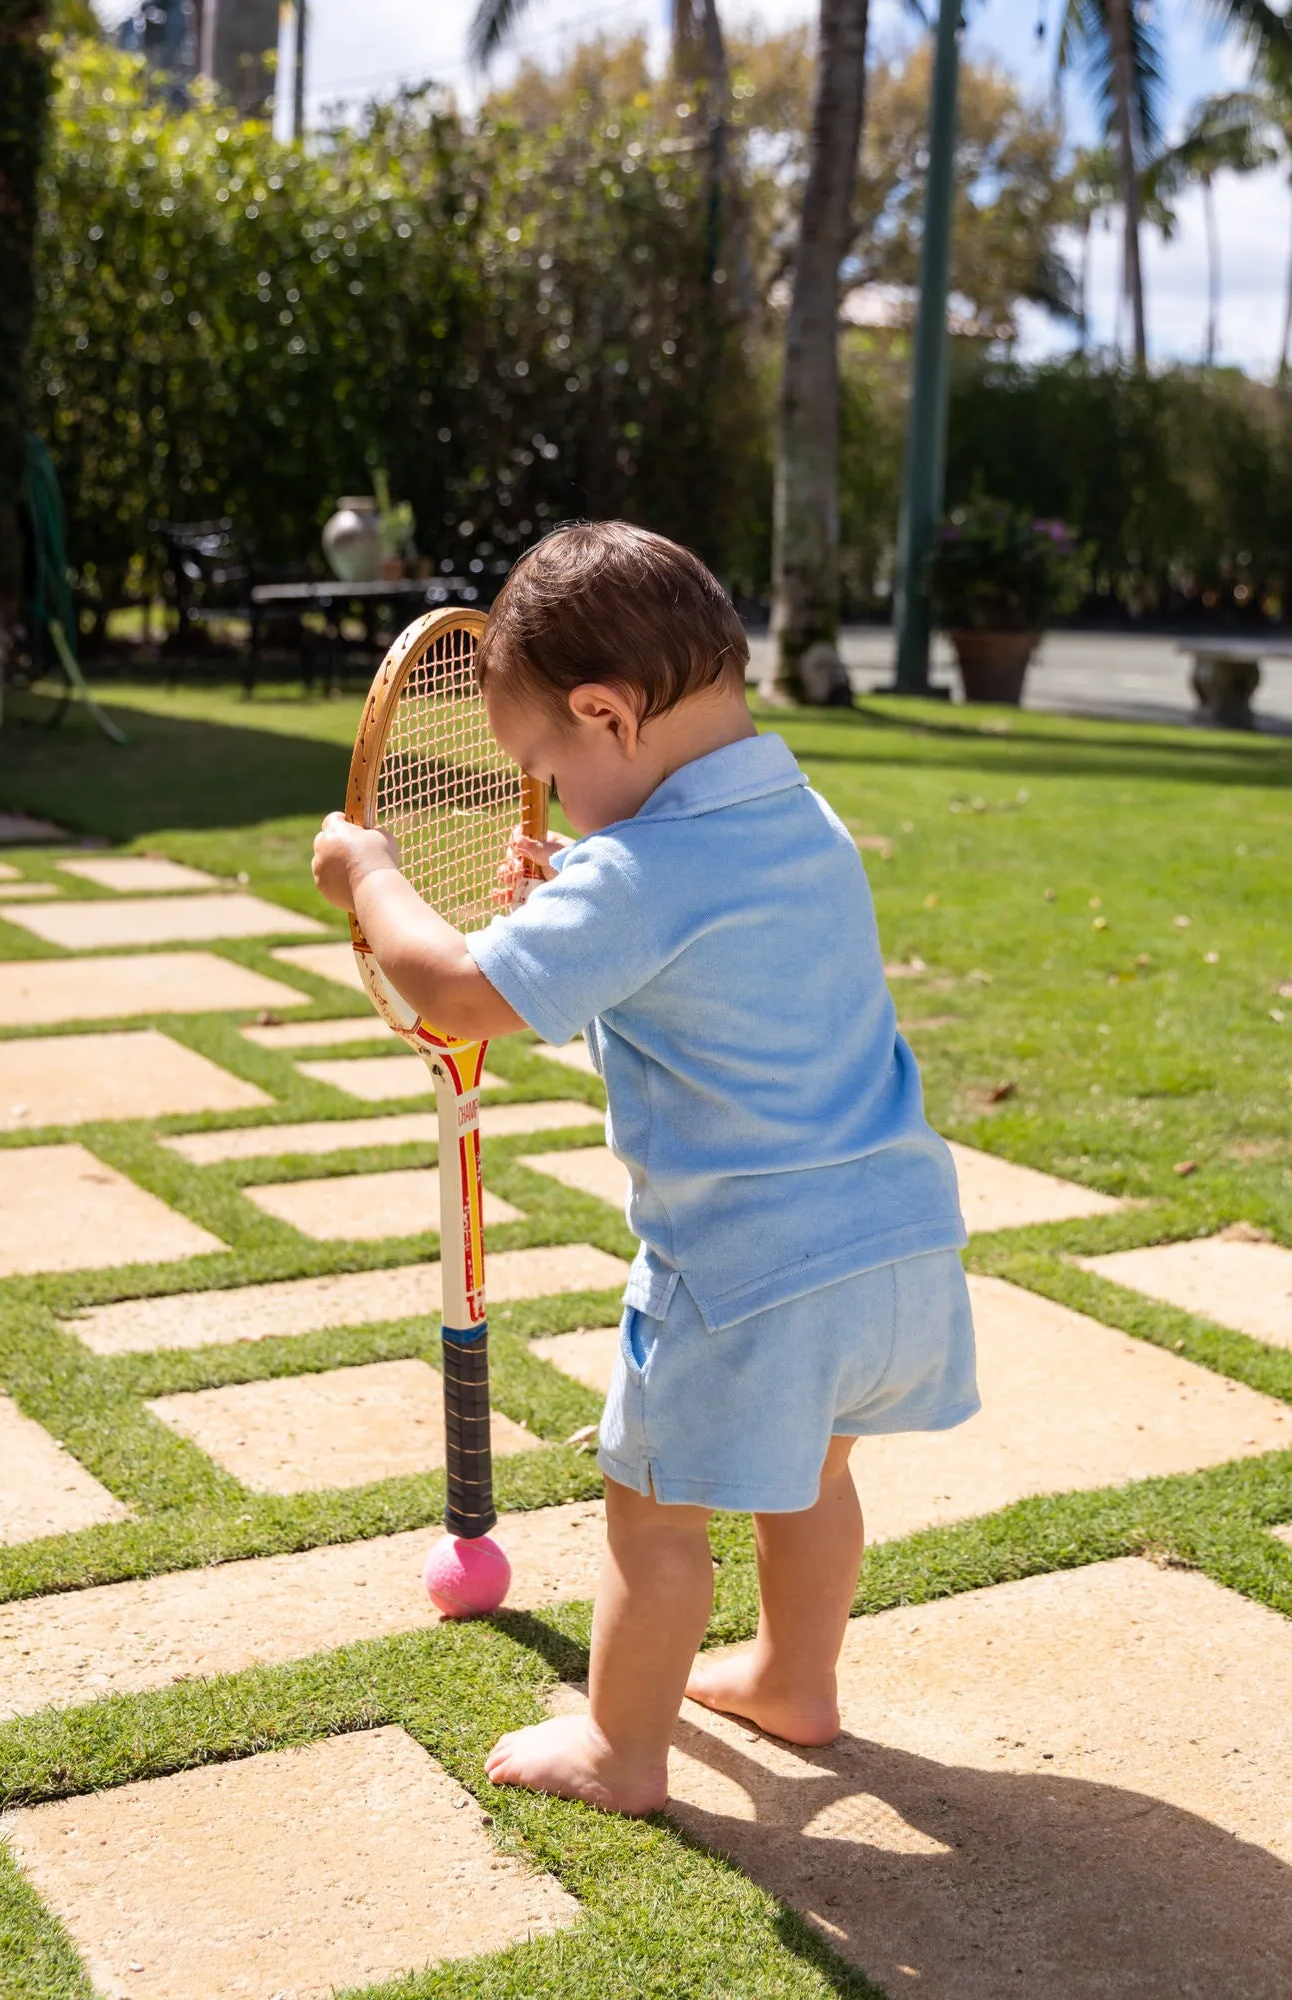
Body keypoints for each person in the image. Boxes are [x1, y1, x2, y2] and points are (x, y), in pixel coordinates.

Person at [312, 521, 976, 1816]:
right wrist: (574, 884)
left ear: (607, 714)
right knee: (815, 1475)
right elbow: (700, 950)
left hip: (748, 1271)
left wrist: (373, 873)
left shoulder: (643, 870)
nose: (548, 799)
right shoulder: (800, 812)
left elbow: (453, 988)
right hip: (898, 1236)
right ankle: (795, 1678)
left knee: (653, 1511)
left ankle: (623, 1751)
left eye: (545, 771)